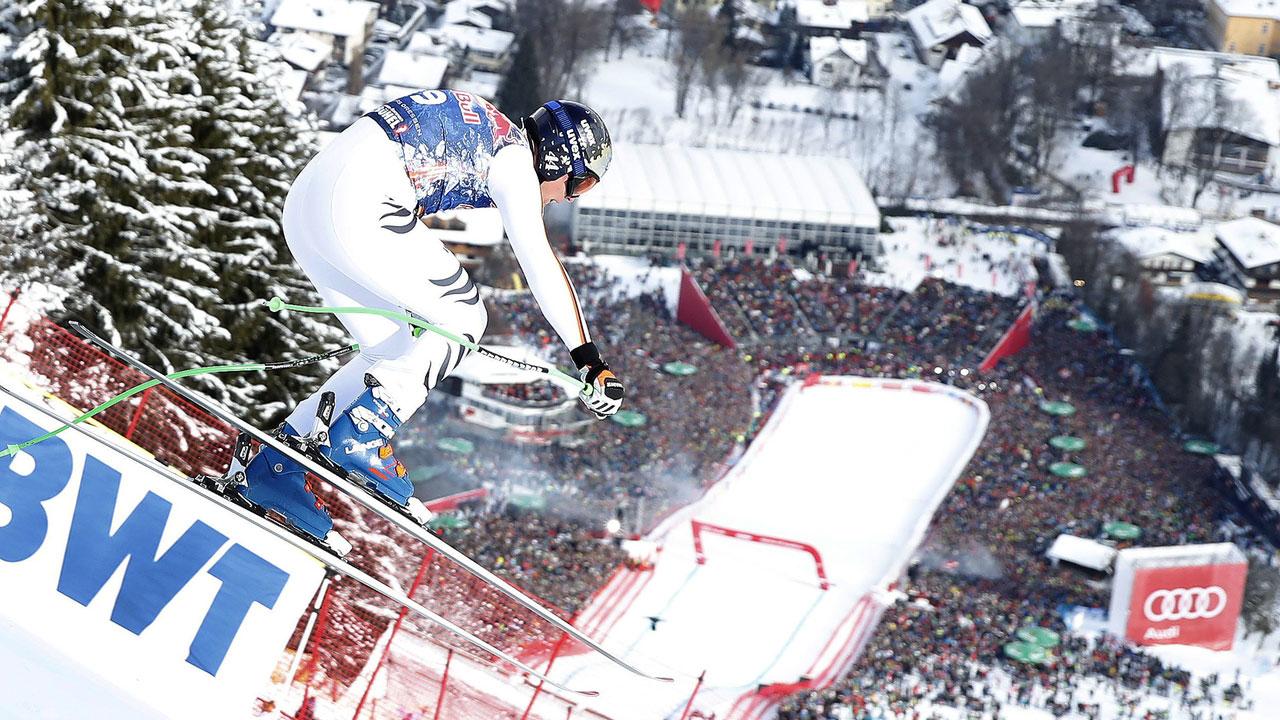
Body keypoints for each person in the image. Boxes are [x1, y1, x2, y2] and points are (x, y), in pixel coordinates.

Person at [239, 90, 625, 550]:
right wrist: (589, 359)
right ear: (561, 159)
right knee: (463, 314)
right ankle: (363, 434)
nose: (566, 200)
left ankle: (273, 469)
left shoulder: (494, 129)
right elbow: (540, 265)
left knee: (393, 348)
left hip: (307, 203)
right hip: (358, 203)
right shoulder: (516, 161)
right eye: (579, 185)